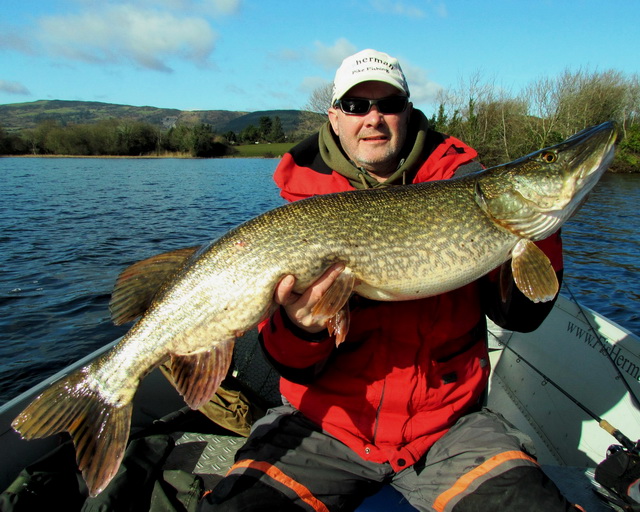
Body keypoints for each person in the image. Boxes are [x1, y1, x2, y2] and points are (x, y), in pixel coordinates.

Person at [199, 50, 580, 511]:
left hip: (451, 430)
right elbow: (289, 365)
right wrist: (304, 327)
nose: (373, 119)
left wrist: (541, 228)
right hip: (322, 424)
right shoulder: (299, 209)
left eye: (389, 105)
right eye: (357, 107)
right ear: (335, 118)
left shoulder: (466, 189)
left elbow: (519, 316)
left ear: (408, 112)